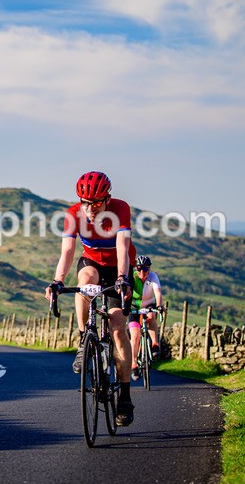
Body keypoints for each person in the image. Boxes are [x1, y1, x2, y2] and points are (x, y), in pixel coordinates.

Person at [44, 171, 137, 426]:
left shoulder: (120, 209)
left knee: (118, 329)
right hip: (93, 264)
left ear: (107, 198)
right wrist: (57, 281)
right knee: (84, 280)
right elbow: (67, 251)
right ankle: (84, 337)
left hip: (119, 267)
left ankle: (125, 397)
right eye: (86, 203)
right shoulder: (73, 214)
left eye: (97, 203)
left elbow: (122, 246)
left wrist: (122, 277)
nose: (91, 208)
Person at [128, 255, 164, 380]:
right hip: (133, 307)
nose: (142, 272)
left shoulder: (153, 277)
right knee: (135, 335)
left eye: (145, 269)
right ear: (136, 269)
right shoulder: (132, 276)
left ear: (149, 269)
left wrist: (159, 306)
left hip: (149, 304)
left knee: (151, 316)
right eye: (139, 269)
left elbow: (158, 292)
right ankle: (133, 364)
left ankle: (155, 344)